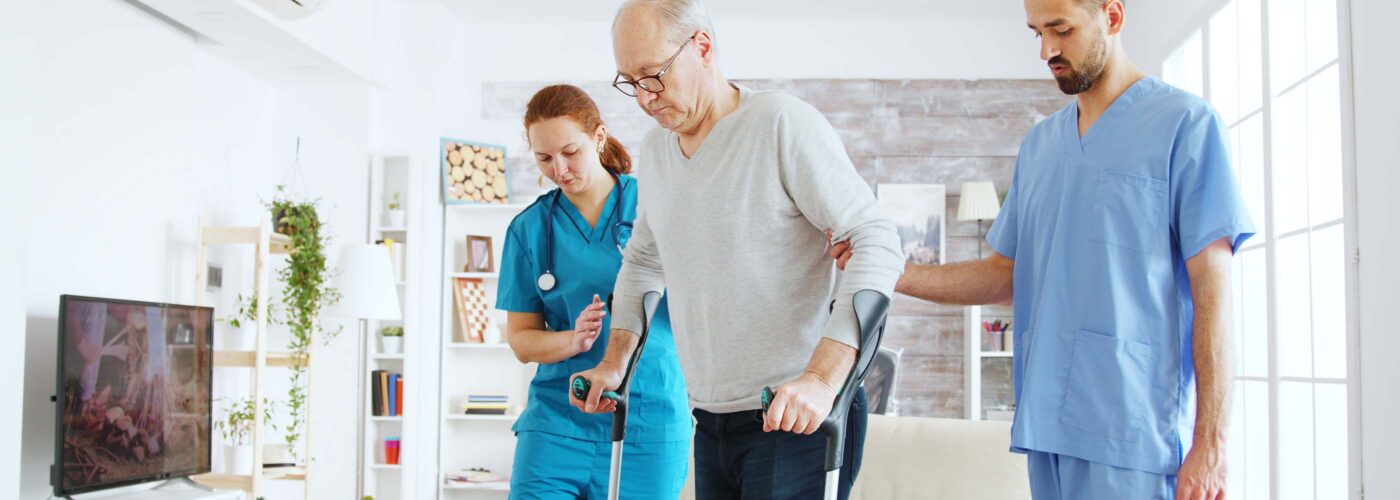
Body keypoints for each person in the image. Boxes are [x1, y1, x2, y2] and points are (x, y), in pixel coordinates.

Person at [833, 1, 1254, 498]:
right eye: (1036, 33)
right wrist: (892, 271)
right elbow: (1005, 273)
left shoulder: (1185, 125)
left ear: (1112, 16)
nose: (1046, 50)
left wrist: (1213, 443)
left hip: (1134, 432)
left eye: (1061, 29)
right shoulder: (1040, 146)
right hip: (1047, 424)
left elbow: (1214, 293)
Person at [570, 1, 905, 498]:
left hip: (792, 418)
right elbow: (642, 262)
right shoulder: (658, 151)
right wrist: (615, 363)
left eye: (653, 75)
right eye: (629, 81)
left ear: (702, 47)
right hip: (710, 416)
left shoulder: (780, 123)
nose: (643, 97)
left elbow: (875, 239)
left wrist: (820, 378)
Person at [495, 84, 691, 499]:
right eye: (544, 158)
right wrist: (572, 339)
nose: (560, 169)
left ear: (598, 137)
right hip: (555, 424)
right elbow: (522, 341)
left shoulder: (658, 204)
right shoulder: (529, 229)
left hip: (649, 421)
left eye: (570, 152)